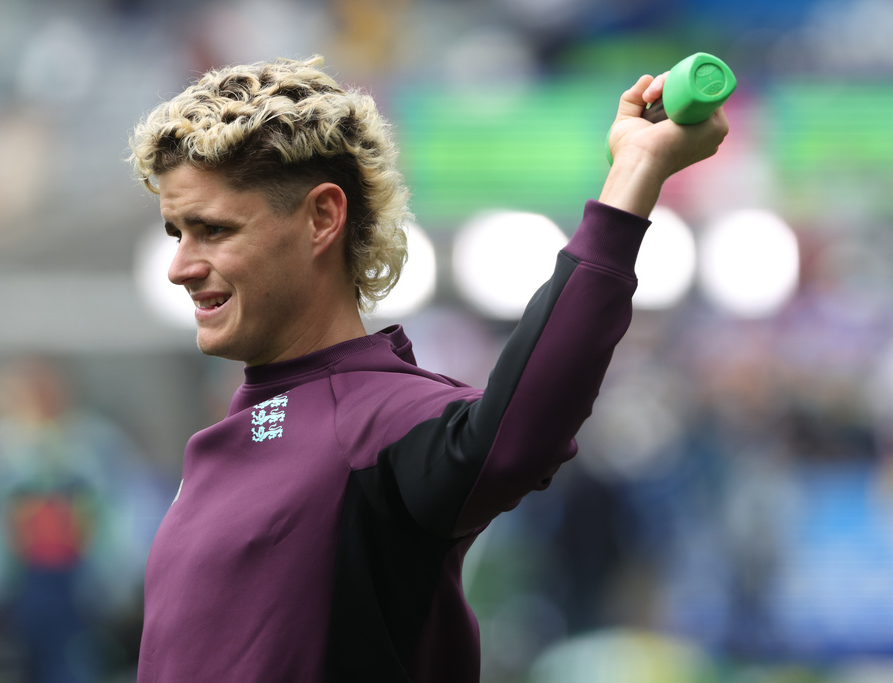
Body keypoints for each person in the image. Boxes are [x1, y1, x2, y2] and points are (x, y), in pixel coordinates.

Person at [128, 55, 727, 682]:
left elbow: (513, 440)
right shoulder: (219, 443)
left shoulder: (380, 423)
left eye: (213, 230)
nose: (179, 267)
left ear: (322, 217)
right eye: (177, 233)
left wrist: (634, 172)